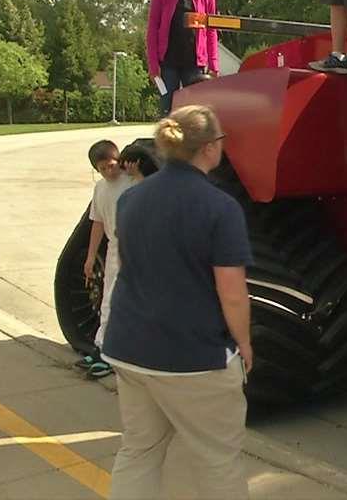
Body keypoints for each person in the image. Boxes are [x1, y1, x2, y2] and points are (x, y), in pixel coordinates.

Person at [102, 106, 253, 500]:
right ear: (208, 149)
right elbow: (232, 292)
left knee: (139, 450)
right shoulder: (221, 207)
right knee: (217, 459)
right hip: (193, 357)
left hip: (129, 348)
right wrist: (245, 344)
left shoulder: (130, 200)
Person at [75, 140, 138, 379]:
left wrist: (136, 175)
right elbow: (97, 222)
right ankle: (101, 346)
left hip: (132, 249)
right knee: (107, 300)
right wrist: (91, 256)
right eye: (103, 168)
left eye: (112, 165)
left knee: (118, 299)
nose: (109, 172)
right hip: (113, 248)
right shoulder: (100, 188)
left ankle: (115, 352)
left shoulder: (132, 180)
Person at [147, 0, 220, 115]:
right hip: (168, 63)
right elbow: (152, 30)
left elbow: (211, 30)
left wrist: (214, 64)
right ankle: (167, 139)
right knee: (168, 108)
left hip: (194, 63)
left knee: (195, 111)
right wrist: (153, 65)